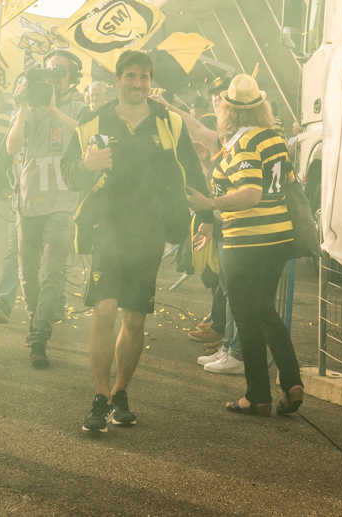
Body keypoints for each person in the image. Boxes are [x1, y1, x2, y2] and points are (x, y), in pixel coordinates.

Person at [61, 50, 205, 433]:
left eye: (144, 77)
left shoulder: (168, 123)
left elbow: (190, 172)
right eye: (130, 76)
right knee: (105, 309)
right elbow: (68, 172)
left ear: (151, 81)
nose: (138, 83)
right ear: (117, 80)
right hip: (105, 228)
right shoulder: (93, 120)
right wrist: (86, 166)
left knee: (134, 317)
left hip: (150, 232)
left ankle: (121, 392)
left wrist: (205, 218)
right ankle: (99, 395)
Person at [186, 74, 304, 417]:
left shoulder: (244, 144)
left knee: (247, 317)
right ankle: (292, 381)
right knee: (267, 310)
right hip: (279, 237)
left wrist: (210, 205)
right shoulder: (273, 138)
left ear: (229, 110)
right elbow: (284, 184)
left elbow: (250, 194)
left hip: (246, 240)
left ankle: (257, 395)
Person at [1, 50, 86, 368]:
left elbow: (90, 136)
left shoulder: (79, 108)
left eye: (62, 71)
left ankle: (38, 336)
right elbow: (11, 147)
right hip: (28, 200)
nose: (56, 77)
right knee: (27, 274)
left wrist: (54, 110)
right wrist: (25, 105)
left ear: (74, 77)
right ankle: (38, 321)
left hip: (63, 203)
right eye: (50, 71)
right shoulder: (29, 109)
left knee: (52, 271)